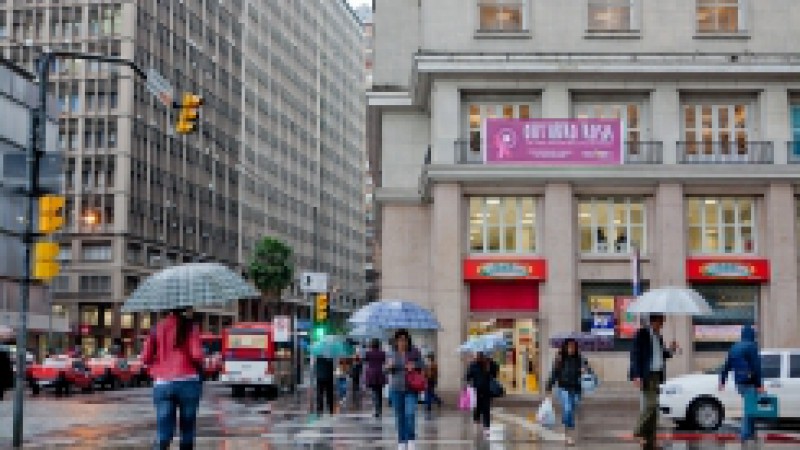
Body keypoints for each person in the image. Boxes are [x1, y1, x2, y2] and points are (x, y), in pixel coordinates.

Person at [141, 308, 204, 450]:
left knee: (163, 431)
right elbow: (197, 355)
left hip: (163, 383)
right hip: (188, 381)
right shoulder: (191, 327)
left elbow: (145, 358)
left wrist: (156, 367)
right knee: (187, 429)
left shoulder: (156, 328)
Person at [629, 314, 679, 450]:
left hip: (658, 375)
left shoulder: (658, 336)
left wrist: (671, 350)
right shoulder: (642, 334)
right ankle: (638, 432)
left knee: (655, 410)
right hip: (647, 375)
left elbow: (662, 355)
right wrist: (636, 375)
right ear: (654, 321)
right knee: (651, 404)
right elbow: (635, 355)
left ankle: (650, 442)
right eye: (661, 321)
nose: (663, 323)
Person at [719, 325, 763, 443]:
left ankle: (752, 434)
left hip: (739, 383)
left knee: (751, 408)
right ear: (752, 335)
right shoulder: (752, 347)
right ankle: (744, 435)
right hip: (750, 382)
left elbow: (726, 366)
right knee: (749, 410)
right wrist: (759, 385)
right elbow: (756, 367)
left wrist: (722, 381)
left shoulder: (734, 347)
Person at [386, 329, 424, 450]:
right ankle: (402, 441)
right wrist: (389, 367)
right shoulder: (392, 353)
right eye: (400, 340)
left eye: (405, 340)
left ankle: (411, 439)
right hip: (396, 389)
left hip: (411, 388)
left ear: (408, 340)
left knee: (410, 414)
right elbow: (385, 370)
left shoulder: (414, 352)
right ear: (396, 341)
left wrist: (414, 366)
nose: (402, 342)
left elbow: (422, 365)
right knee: (400, 416)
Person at [545, 338, 584, 446]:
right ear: (565, 347)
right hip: (563, 388)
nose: (571, 349)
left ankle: (568, 429)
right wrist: (549, 386)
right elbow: (554, 373)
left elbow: (587, 371)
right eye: (569, 347)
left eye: (573, 347)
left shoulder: (579, 358)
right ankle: (568, 435)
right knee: (567, 409)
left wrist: (583, 371)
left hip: (576, 389)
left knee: (571, 410)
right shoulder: (560, 359)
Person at [465, 351, 499, 439]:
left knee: (486, 409)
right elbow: (468, 377)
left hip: (487, 390)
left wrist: (490, 367)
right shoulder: (473, 365)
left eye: (481, 355)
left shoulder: (490, 364)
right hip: (476, 391)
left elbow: (495, 374)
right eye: (478, 355)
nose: (479, 356)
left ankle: (486, 428)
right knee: (477, 408)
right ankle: (476, 423)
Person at [364, 339, 387, 418]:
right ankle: (379, 409)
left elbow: (366, 361)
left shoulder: (368, 353)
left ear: (371, 345)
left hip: (372, 374)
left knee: (374, 392)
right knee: (379, 392)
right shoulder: (382, 353)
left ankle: (377, 410)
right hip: (380, 373)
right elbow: (384, 361)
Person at [423, 353, 443, 419]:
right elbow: (425, 373)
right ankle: (432, 404)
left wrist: (430, 369)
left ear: (430, 358)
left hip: (431, 381)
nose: (427, 359)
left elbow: (435, 374)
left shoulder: (434, 365)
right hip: (427, 380)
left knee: (429, 393)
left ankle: (430, 405)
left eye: (428, 358)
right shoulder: (427, 365)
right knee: (429, 393)